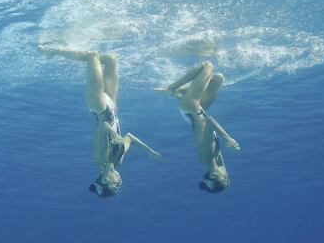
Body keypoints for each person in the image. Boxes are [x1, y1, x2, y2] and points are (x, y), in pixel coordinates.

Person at [39, 46, 163, 197]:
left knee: (92, 56)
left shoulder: (101, 157)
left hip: (99, 107)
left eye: (115, 185)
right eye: (119, 186)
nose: (120, 183)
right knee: (111, 59)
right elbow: (129, 137)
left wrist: (115, 136)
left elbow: (103, 126)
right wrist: (149, 151)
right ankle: (81, 63)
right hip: (113, 108)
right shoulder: (118, 161)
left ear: (104, 179)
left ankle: (53, 51)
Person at [156, 61, 240, 193]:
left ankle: (172, 88)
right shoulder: (214, 162)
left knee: (207, 66)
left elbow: (210, 122)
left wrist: (227, 137)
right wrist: (222, 179)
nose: (227, 175)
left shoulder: (208, 154)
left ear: (213, 175)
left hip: (191, 108)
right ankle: (182, 92)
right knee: (218, 79)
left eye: (225, 178)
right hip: (199, 112)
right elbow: (221, 168)